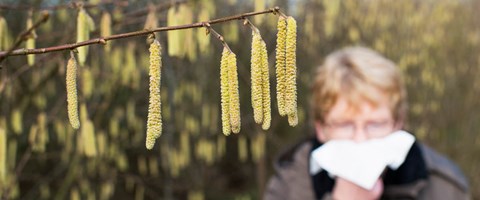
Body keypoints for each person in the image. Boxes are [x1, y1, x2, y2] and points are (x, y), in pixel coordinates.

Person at [264, 47, 470, 200]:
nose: (360, 140)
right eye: (345, 125)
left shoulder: (443, 184)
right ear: (321, 129)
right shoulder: (289, 185)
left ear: (398, 124)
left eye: (375, 124)